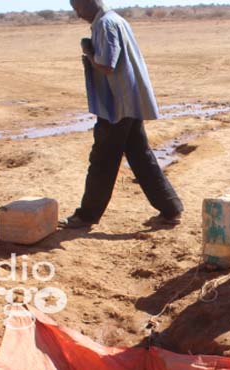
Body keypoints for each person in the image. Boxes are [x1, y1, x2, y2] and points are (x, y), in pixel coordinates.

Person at [60, 0, 183, 229]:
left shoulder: (106, 24)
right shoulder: (115, 20)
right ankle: (171, 209)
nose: (77, 15)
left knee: (102, 160)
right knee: (141, 157)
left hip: (117, 105)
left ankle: (87, 215)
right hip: (128, 101)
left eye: (78, 9)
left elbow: (107, 65)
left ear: (88, 3)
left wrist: (88, 53)